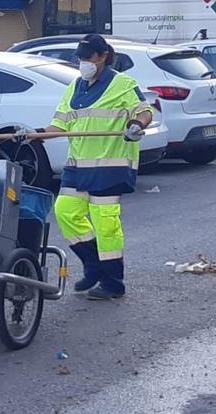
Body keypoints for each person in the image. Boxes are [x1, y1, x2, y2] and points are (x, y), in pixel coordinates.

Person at [15, 34, 153, 301]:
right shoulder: (74, 88)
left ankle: (113, 283)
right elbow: (61, 126)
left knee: (106, 226)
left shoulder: (123, 84)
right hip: (78, 167)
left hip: (109, 167)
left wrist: (137, 125)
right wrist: (35, 133)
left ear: (102, 57)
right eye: (80, 58)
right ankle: (94, 266)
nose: (83, 63)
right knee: (65, 213)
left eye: (88, 58)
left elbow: (144, 111)